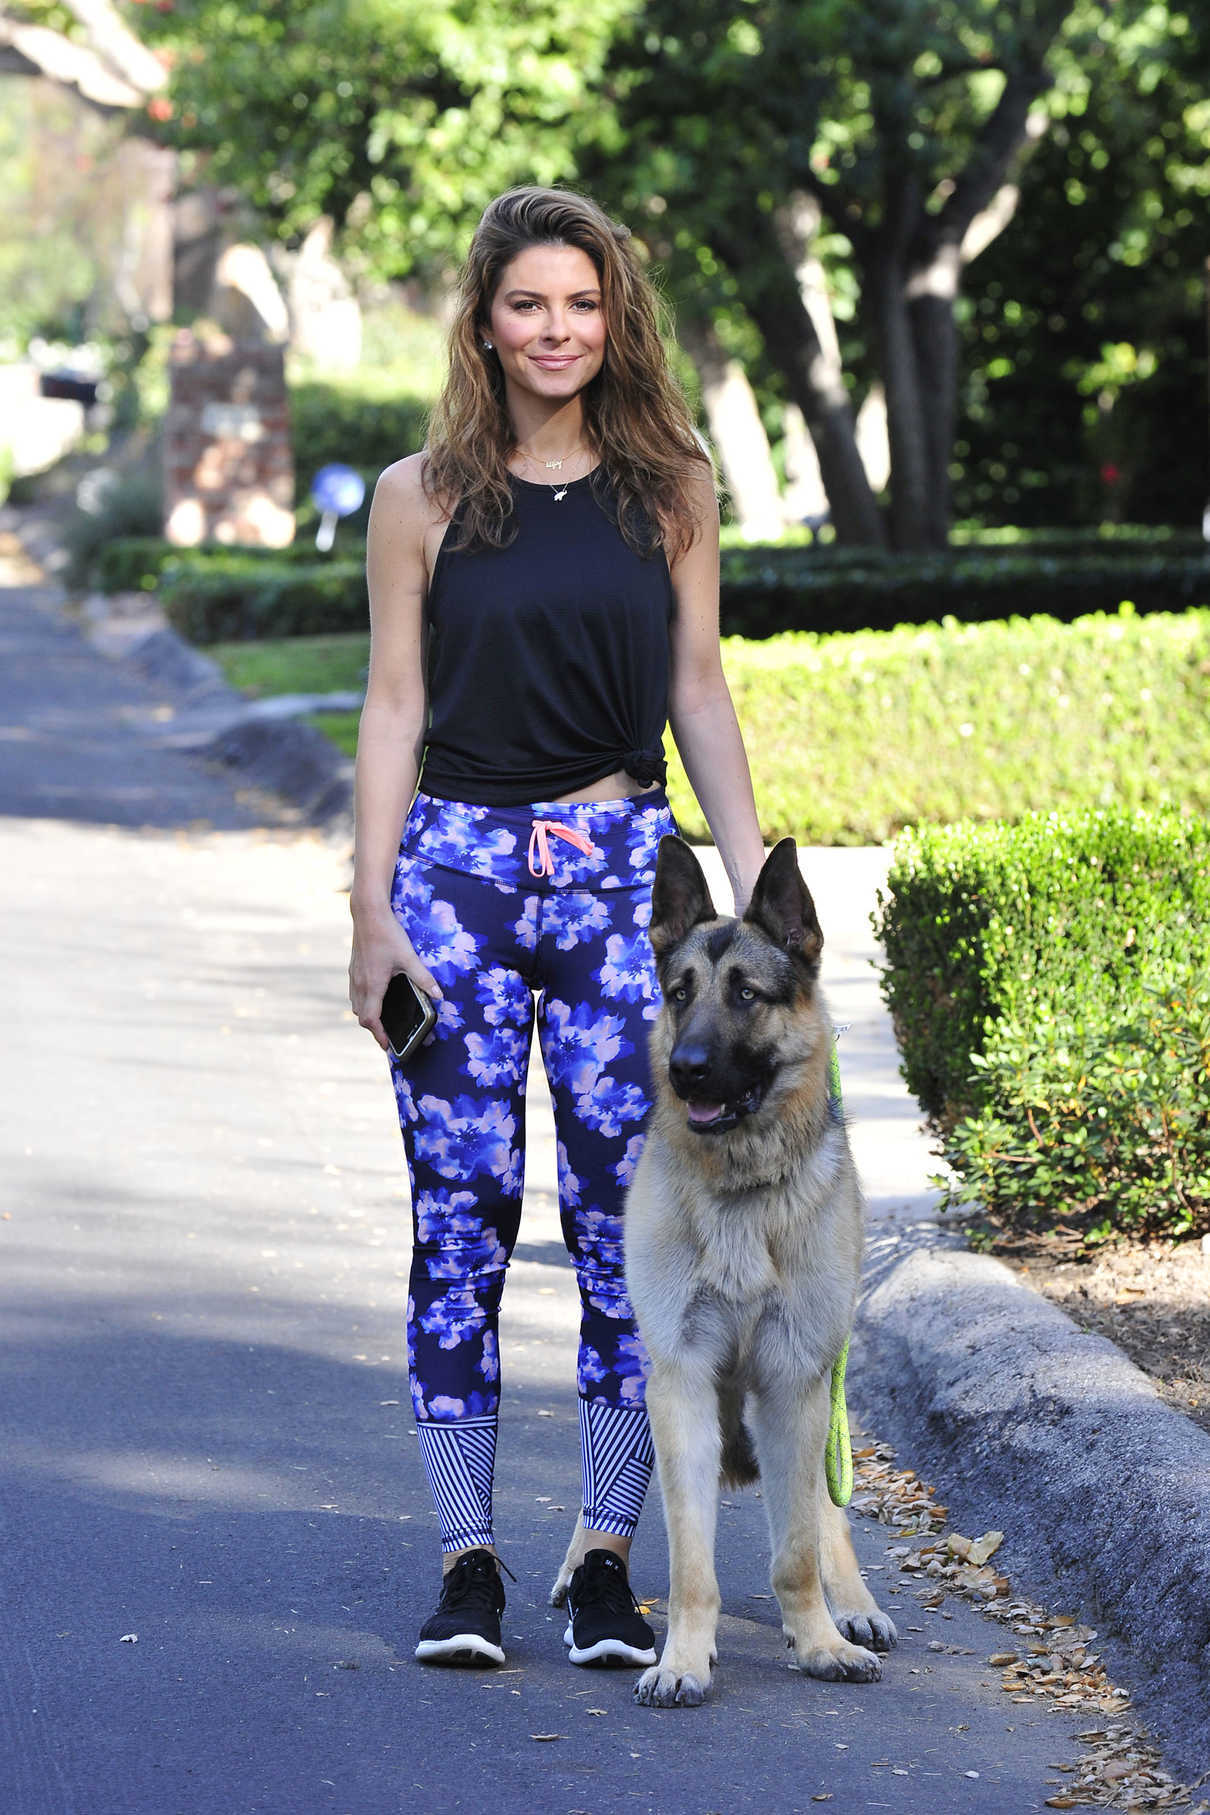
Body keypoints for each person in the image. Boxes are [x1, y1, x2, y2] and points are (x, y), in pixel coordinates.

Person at [347, 185, 766, 1670]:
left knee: (619, 1233)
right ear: (481, 321)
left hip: (618, 884)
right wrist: (370, 910)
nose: (554, 330)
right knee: (456, 1227)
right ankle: (466, 1559)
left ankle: (601, 1558)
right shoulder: (423, 495)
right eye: (526, 304)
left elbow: (698, 689)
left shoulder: (673, 488)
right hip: (452, 875)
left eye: (579, 304)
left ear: (615, 317)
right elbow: (393, 705)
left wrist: (750, 885)